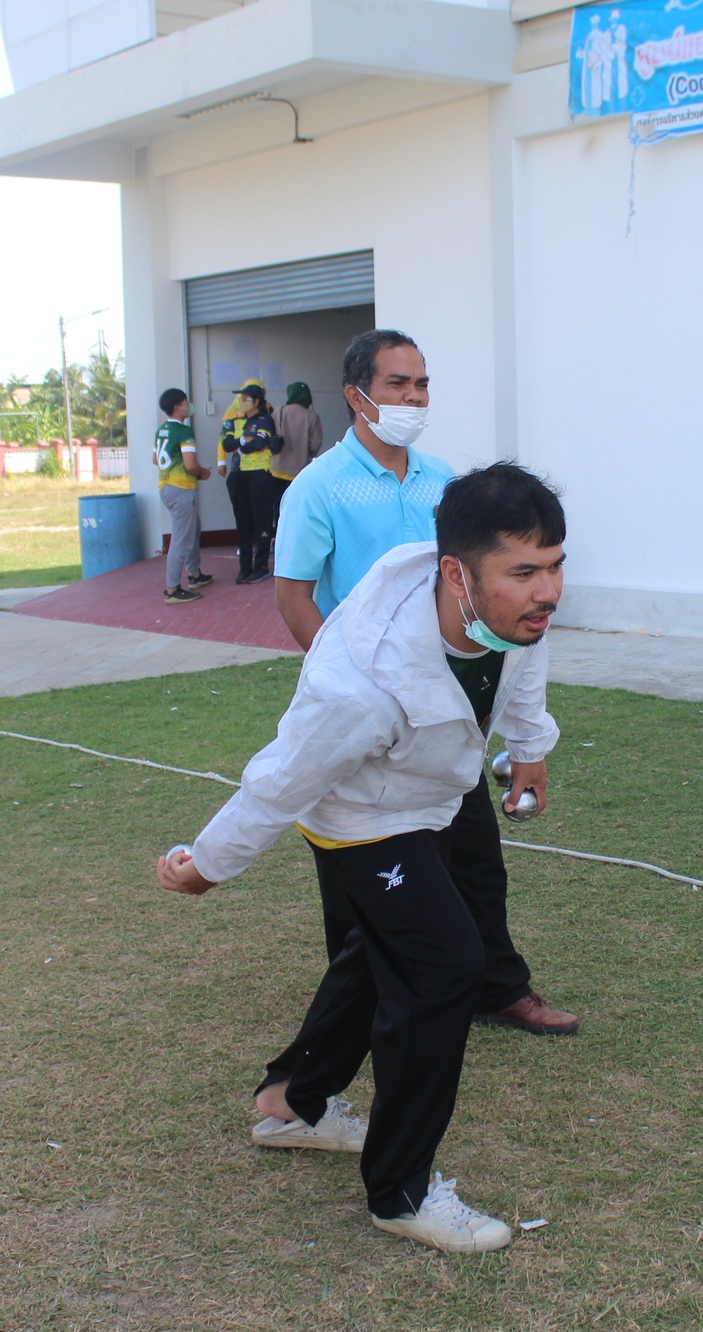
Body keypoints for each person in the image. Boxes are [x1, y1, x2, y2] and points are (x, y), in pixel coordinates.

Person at [159, 463, 568, 1253]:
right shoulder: (361, 684)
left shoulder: (507, 611)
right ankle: (401, 1191)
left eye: (554, 565)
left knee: (379, 951)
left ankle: (293, 1101)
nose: (545, 591)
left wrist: (530, 748)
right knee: (446, 963)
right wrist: (205, 865)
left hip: (433, 794)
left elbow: (525, 656)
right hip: (361, 817)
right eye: (523, 572)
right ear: (458, 572)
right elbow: (280, 781)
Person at [275, 329, 577, 1037]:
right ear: (357, 396)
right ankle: (363, 1013)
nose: (413, 397)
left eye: (422, 384)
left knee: (475, 858)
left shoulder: (445, 479)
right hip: (367, 712)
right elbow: (293, 596)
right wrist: (354, 689)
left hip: (447, 709)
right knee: (366, 879)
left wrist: (524, 736)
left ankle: (499, 985)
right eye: (397, 385)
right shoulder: (321, 486)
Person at [154, 387, 213, 605]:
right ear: (178, 406)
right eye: (186, 402)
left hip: (166, 487)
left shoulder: (161, 431)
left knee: (192, 528)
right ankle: (172, 589)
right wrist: (203, 473)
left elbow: (155, 459)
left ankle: (195, 573)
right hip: (181, 489)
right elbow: (190, 464)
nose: (189, 405)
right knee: (181, 539)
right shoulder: (184, 432)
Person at [221, 382, 283, 584]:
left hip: (260, 474)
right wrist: (243, 443)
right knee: (243, 521)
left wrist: (242, 444)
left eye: (244, 398)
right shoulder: (236, 421)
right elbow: (226, 443)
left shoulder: (265, 420)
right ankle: (244, 567)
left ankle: (261, 566)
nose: (240, 402)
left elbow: (260, 443)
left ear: (256, 402)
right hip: (240, 475)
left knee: (262, 521)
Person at [269, 381, 324, 535]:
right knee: (298, 507)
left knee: (277, 506)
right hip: (300, 471)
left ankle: (278, 537)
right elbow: (315, 443)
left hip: (277, 469)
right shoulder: (312, 417)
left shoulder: (278, 412)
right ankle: (296, 537)